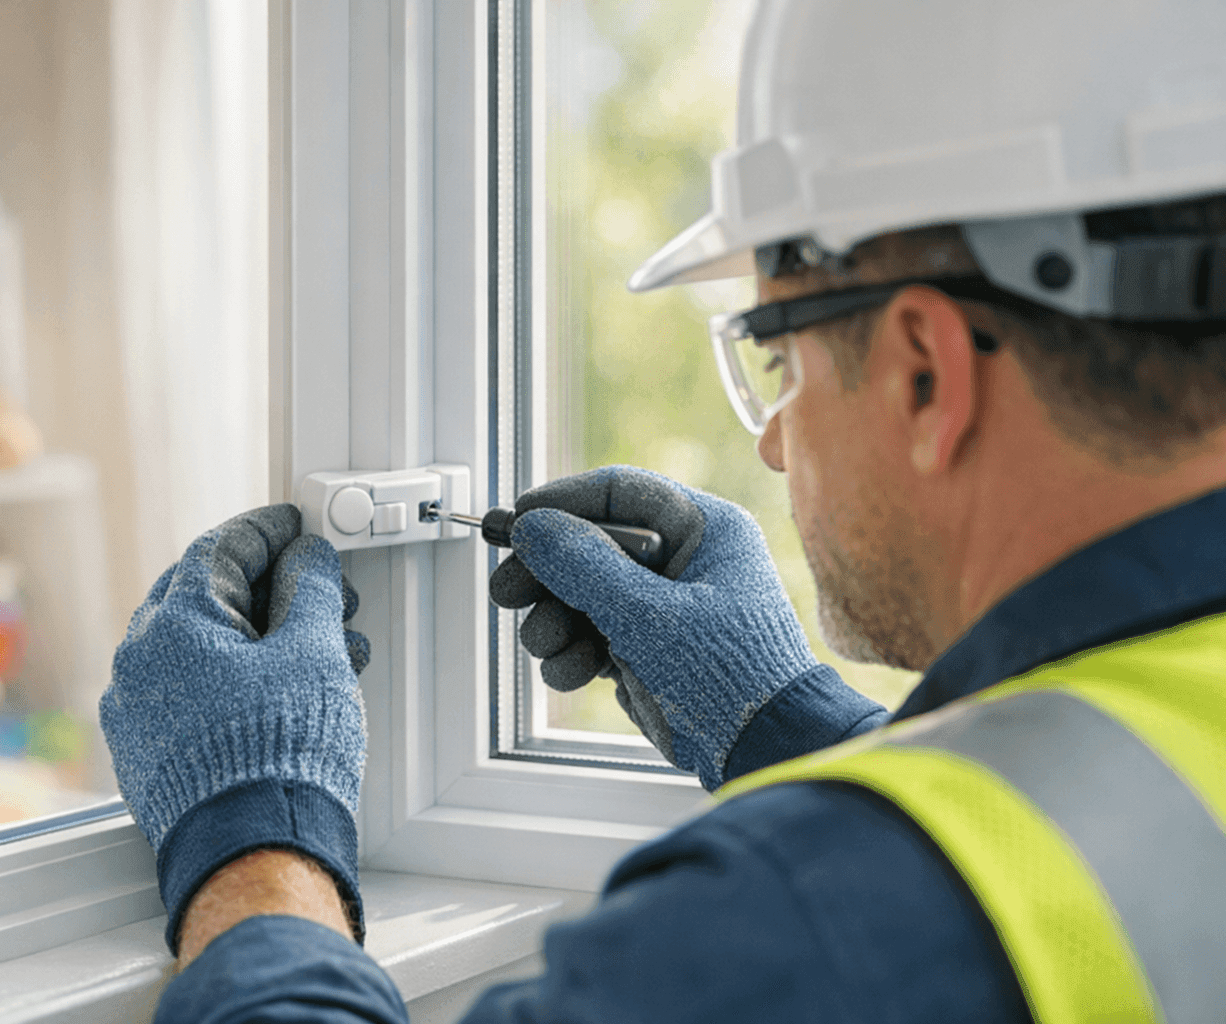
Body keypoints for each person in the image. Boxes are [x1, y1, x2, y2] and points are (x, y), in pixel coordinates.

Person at [98, 1, 1226, 1020]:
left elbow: (906, 924)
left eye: (775, 361)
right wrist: (791, 727)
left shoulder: (800, 917)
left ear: (924, 373)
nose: (775, 441)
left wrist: (252, 837)